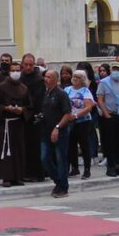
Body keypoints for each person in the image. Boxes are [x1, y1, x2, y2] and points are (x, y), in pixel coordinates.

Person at [0, 61, 30, 187]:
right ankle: (6, 177)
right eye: (13, 70)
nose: (15, 73)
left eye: (17, 70)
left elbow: (30, 106)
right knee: (5, 150)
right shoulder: (1, 87)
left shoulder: (24, 88)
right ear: (9, 72)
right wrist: (6, 108)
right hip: (4, 124)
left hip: (18, 124)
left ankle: (18, 176)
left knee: (18, 150)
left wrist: (22, 110)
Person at [40, 69, 74, 198]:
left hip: (60, 132)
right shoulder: (46, 93)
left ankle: (63, 187)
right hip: (45, 131)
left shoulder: (61, 94)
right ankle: (57, 181)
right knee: (44, 158)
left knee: (61, 159)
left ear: (55, 79)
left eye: (49, 77)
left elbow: (67, 114)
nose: (46, 79)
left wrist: (58, 127)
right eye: (45, 77)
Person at [97, 62, 119, 177]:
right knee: (110, 142)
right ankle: (110, 167)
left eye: (118, 69)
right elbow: (100, 99)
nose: (116, 71)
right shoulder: (104, 83)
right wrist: (105, 113)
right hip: (110, 114)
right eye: (114, 69)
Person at [18, 54, 46, 181]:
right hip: (22, 116)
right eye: (26, 64)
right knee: (23, 145)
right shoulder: (20, 78)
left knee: (35, 146)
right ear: (22, 64)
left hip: (35, 116)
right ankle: (24, 172)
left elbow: (38, 99)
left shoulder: (39, 79)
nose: (28, 67)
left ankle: (36, 173)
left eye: (30, 65)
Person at [65, 70, 96, 179]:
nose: (75, 79)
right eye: (74, 77)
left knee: (84, 145)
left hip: (83, 121)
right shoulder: (67, 90)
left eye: (78, 77)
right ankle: (74, 168)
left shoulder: (85, 91)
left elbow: (88, 107)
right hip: (70, 121)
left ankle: (87, 169)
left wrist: (77, 115)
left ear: (82, 79)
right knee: (71, 145)